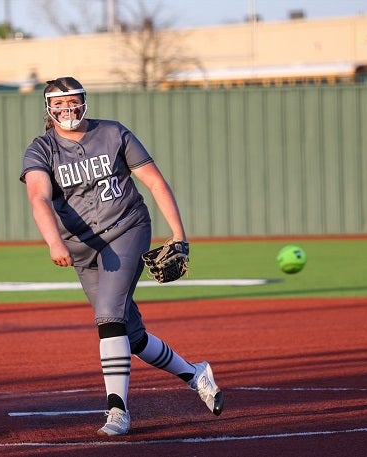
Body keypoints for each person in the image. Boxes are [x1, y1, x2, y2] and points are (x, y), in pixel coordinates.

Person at [20, 76, 224, 437]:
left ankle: (118, 410)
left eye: (74, 101)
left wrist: (179, 234)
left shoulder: (114, 133)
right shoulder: (41, 148)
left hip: (126, 229)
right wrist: (54, 242)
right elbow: (38, 197)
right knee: (130, 333)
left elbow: (155, 181)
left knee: (108, 316)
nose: (68, 109)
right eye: (60, 104)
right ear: (48, 108)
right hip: (82, 246)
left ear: (85, 101)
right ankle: (195, 374)